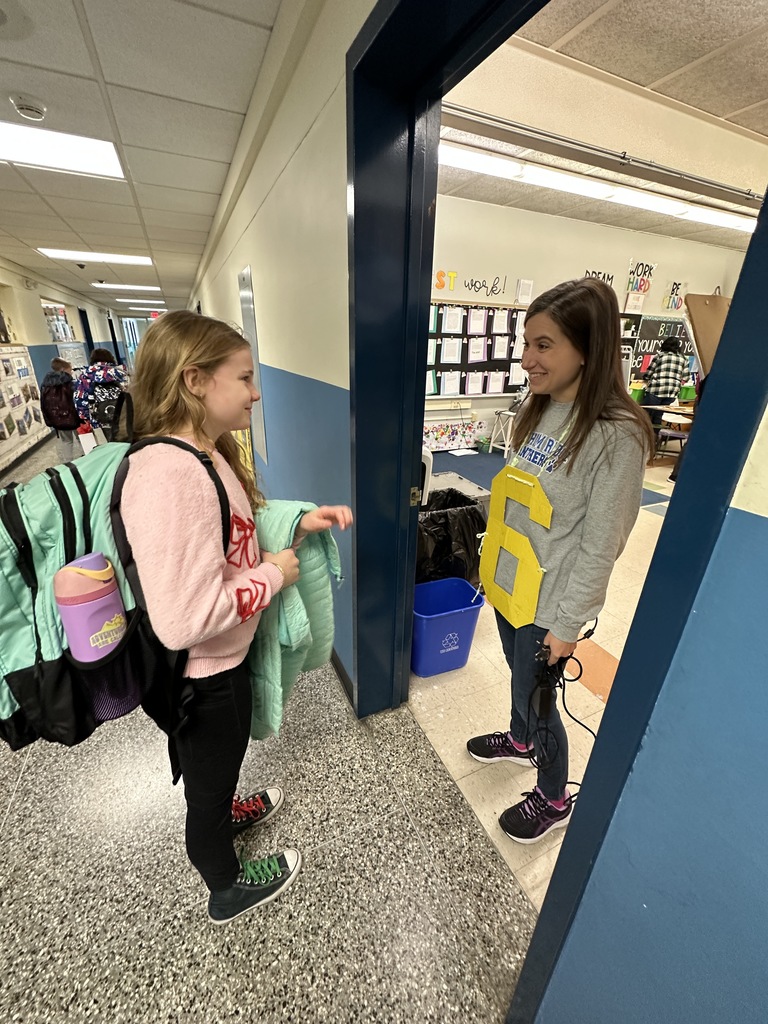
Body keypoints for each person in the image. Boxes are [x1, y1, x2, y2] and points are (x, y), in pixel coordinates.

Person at [119, 310, 352, 924]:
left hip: (226, 660)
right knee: (208, 783)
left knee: (219, 771)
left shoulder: (205, 455)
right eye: (244, 378)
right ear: (195, 380)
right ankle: (226, 886)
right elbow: (182, 618)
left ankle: (225, 815)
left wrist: (295, 525)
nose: (255, 392)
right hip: (203, 678)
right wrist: (275, 575)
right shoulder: (172, 476)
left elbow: (232, 537)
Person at [466, 279, 654, 843]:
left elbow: (603, 545)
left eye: (543, 345)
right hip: (512, 588)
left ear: (588, 349)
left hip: (551, 606)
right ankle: (520, 740)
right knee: (521, 685)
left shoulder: (616, 437)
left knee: (543, 701)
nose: (527, 359)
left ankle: (552, 795)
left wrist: (567, 627)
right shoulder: (542, 408)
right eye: (527, 343)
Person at [73, 347, 129, 437]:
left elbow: (80, 404)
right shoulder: (121, 374)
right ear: (111, 359)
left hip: (98, 423)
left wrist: (87, 418)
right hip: (124, 419)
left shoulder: (84, 377)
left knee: (103, 447)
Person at [640, 336, 688, 426]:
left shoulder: (659, 356)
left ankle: (642, 437)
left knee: (644, 415)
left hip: (656, 390)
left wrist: (646, 378)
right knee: (658, 416)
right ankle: (655, 438)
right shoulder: (684, 359)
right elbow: (686, 377)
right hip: (672, 393)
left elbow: (649, 373)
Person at [40, 357, 80, 461]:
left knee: (66, 442)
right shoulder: (69, 383)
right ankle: (90, 459)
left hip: (57, 420)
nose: (71, 372)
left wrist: (49, 420)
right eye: (69, 369)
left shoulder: (45, 384)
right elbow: (76, 399)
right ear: (63, 369)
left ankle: (68, 464)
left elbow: (44, 404)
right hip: (74, 417)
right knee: (82, 438)